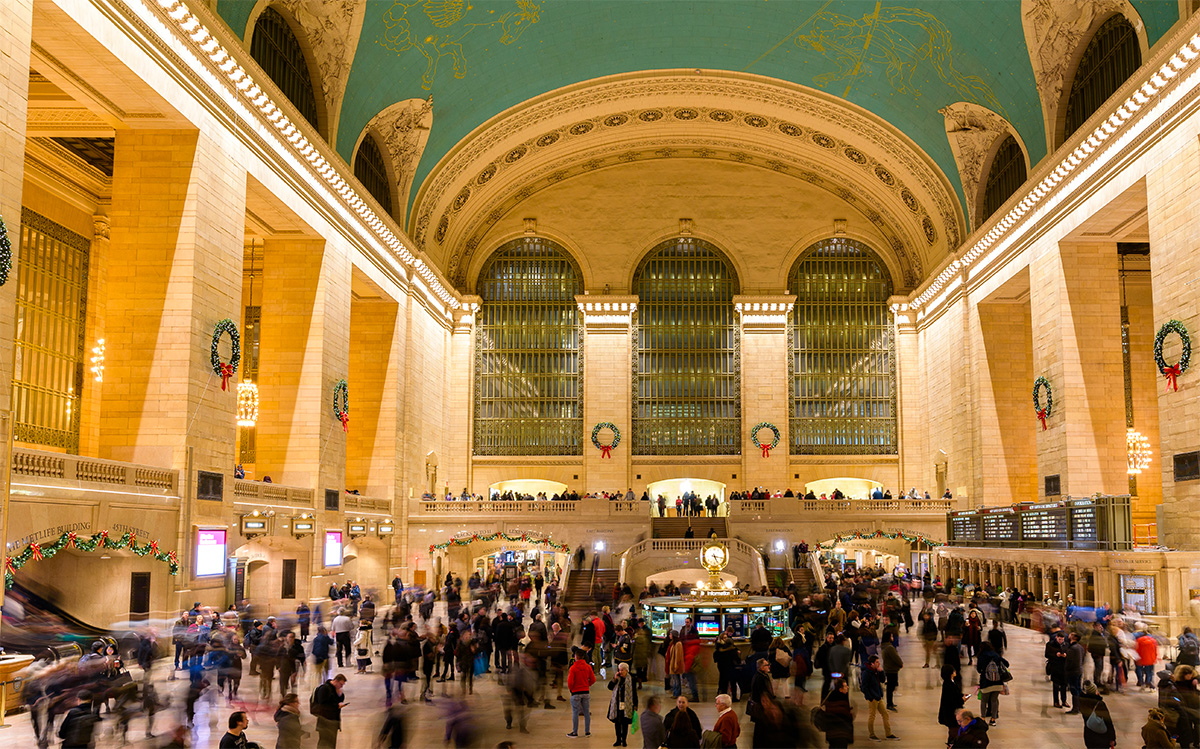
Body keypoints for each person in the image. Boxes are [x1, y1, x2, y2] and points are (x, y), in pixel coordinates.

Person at [861, 654, 898, 741]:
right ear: (872, 663)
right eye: (877, 662)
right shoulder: (866, 673)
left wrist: (881, 672)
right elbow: (863, 687)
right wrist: (870, 697)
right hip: (872, 698)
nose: (879, 664)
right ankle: (872, 734)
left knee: (885, 714)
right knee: (872, 716)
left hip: (878, 697)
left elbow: (882, 680)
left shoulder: (875, 671)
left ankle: (888, 734)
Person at [975, 641, 1009, 725]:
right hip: (997, 683)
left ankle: (983, 718)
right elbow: (1007, 664)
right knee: (994, 701)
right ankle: (993, 720)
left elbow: (979, 669)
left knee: (983, 701)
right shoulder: (996, 655)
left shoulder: (981, 656)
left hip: (985, 682)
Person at [567, 646, 596, 738]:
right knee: (586, 712)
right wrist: (588, 685)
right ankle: (587, 732)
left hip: (576, 692)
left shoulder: (573, 668)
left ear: (576, 656)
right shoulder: (588, 667)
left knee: (575, 712)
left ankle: (575, 732)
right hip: (585, 692)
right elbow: (593, 679)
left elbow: (570, 682)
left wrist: (571, 689)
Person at [312, 674, 347, 749]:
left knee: (331, 743)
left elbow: (338, 700)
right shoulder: (324, 689)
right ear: (336, 681)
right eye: (340, 684)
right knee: (324, 742)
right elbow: (322, 704)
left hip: (333, 721)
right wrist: (336, 706)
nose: (341, 686)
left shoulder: (335, 690)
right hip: (325, 721)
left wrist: (340, 695)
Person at [939, 645, 965, 746]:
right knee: (954, 732)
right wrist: (962, 699)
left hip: (950, 713)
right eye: (953, 671)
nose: (955, 672)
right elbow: (953, 700)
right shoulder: (949, 685)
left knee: (953, 731)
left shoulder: (950, 683)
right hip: (951, 714)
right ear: (950, 673)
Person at [608, 661, 638, 747]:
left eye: (622, 670)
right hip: (616, 704)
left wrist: (635, 705)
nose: (620, 672)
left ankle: (624, 740)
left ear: (627, 670)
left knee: (624, 723)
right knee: (617, 722)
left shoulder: (631, 679)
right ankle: (618, 740)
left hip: (627, 704)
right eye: (619, 670)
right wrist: (614, 679)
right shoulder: (617, 679)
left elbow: (634, 693)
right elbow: (610, 687)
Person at [1079, 680, 1116, 748]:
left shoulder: (1083, 703)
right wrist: (1112, 737)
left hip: (1089, 736)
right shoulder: (1100, 704)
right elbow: (1108, 721)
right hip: (1102, 737)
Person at [822, 677, 855, 749]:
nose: (848, 687)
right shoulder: (841, 702)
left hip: (833, 734)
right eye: (845, 686)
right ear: (840, 689)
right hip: (840, 735)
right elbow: (846, 717)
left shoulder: (832, 699)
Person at [1046, 630, 1068, 708]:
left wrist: (1066, 655)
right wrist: (1056, 654)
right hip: (1055, 667)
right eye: (1059, 639)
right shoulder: (1050, 644)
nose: (1061, 641)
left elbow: (1069, 654)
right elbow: (1047, 654)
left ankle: (1064, 700)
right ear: (1056, 637)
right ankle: (1056, 701)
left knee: (1064, 685)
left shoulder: (1066, 645)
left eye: (1062, 639)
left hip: (1064, 668)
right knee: (1056, 686)